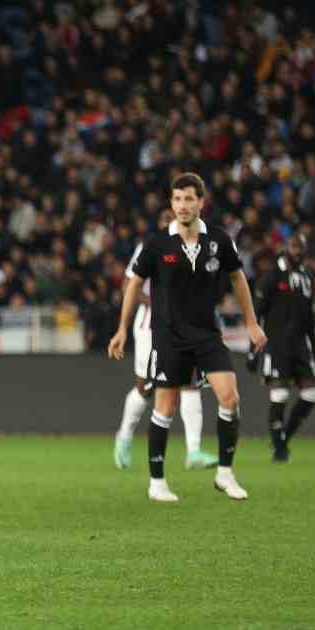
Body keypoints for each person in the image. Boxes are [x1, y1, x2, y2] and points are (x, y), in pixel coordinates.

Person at [108, 173, 267, 503]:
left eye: (189, 199)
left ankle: (225, 473)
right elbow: (134, 285)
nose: (182, 206)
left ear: (201, 202)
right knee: (165, 406)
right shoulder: (156, 244)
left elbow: (238, 280)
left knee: (230, 397)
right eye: (177, 199)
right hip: (168, 337)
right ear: (171, 203)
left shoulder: (219, 241)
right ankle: (157, 483)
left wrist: (252, 323)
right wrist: (122, 328)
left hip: (207, 335)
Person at [113, 246, 218, 470]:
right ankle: (124, 437)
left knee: (191, 382)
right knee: (146, 387)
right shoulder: (150, 246)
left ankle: (194, 451)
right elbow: (128, 285)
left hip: (183, 326)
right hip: (149, 328)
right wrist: (154, 302)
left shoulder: (195, 247)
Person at [255, 233, 315, 462]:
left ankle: (282, 438)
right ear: (286, 248)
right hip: (277, 344)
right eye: (294, 247)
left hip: (301, 345)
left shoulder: (307, 276)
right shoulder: (273, 275)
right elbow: (258, 312)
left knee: (312, 394)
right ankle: (279, 448)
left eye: (301, 247)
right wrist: (253, 348)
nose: (298, 251)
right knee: (280, 393)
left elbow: (309, 316)